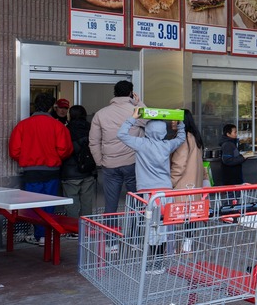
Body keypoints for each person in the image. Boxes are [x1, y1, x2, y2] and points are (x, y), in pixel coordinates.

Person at [118, 107, 185, 274]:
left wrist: (133, 117)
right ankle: (159, 262)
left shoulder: (141, 144)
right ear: (163, 132)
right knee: (161, 229)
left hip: (149, 194)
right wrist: (179, 120)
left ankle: (154, 264)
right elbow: (181, 137)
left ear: (147, 130)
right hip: (166, 193)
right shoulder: (167, 145)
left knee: (151, 229)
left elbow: (121, 134)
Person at [9, 93, 73, 246]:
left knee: (34, 206)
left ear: (34, 106)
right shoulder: (58, 126)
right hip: (52, 171)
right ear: (51, 107)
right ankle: (46, 235)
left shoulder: (22, 125)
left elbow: (14, 151)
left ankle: (39, 235)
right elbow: (65, 150)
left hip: (31, 171)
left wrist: (28, 158)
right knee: (49, 205)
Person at [89, 80, 146, 214]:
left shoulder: (100, 114)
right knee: (136, 203)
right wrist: (139, 103)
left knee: (110, 204)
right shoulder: (136, 111)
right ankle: (133, 233)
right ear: (131, 93)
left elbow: (93, 141)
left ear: (115, 94)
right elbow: (148, 120)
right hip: (132, 162)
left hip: (110, 164)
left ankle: (110, 233)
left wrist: (100, 162)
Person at [61, 105, 97, 234]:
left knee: (71, 201)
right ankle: (87, 228)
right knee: (87, 201)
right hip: (87, 170)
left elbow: (63, 150)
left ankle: (74, 230)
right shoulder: (91, 129)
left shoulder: (66, 129)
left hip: (70, 172)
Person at [170, 109, 209, 190]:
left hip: (183, 187)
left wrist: (169, 183)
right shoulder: (194, 136)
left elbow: (179, 165)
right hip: (194, 186)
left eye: (175, 118)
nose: (172, 121)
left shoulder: (183, 139)